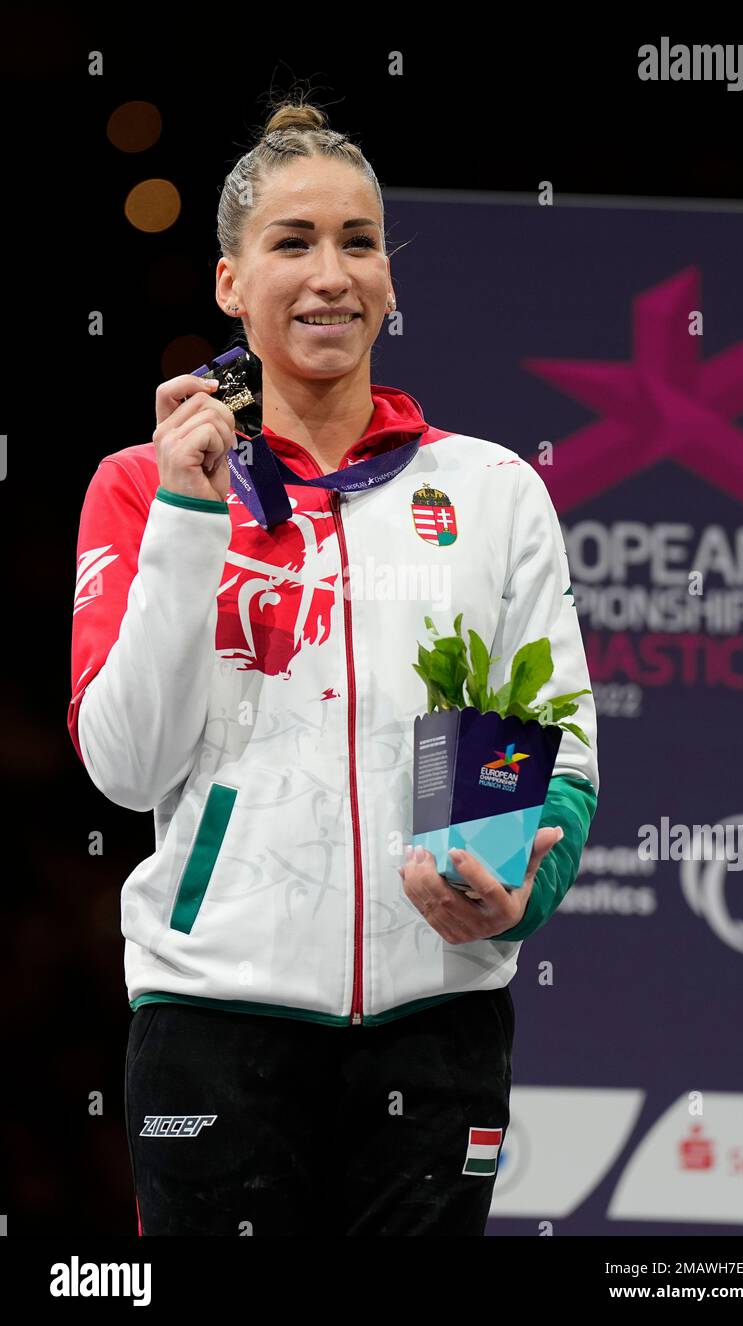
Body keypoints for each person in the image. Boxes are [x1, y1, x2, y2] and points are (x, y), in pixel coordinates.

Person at [67, 97, 599, 1236]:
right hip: (213, 1029)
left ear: (391, 282)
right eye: (292, 242)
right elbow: (123, 766)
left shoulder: (489, 490)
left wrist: (512, 898)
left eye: (359, 243)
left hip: (441, 1025)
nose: (331, 273)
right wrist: (185, 514)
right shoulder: (141, 485)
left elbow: (553, 743)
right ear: (229, 283)